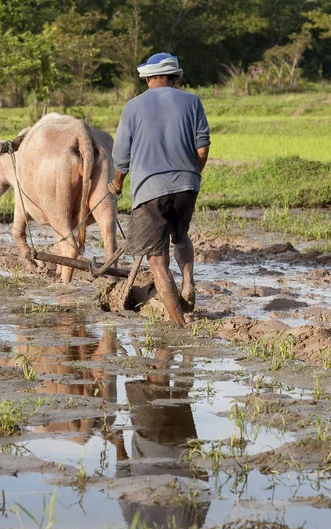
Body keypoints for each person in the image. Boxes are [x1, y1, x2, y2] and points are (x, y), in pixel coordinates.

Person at [108, 52, 210, 327]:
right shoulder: (193, 101)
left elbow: (121, 157)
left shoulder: (133, 106)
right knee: (181, 236)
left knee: (157, 261)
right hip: (187, 185)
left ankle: (179, 326)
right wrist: (190, 176)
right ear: (175, 77)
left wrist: (116, 184)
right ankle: (188, 283)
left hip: (149, 190)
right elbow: (202, 148)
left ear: (149, 78)